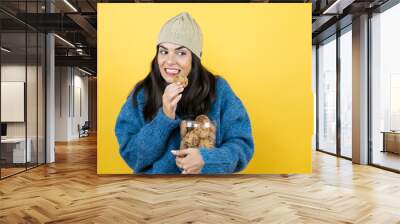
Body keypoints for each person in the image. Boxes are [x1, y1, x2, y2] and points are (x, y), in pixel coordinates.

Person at [115, 12, 254, 174]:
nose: (169, 61)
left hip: (207, 192)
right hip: (155, 193)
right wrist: (164, 118)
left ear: (195, 58)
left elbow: (242, 145)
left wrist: (208, 160)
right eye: (163, 51)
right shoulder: (142, 94)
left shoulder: (219, 90)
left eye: (181, 53)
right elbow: (132, 156)